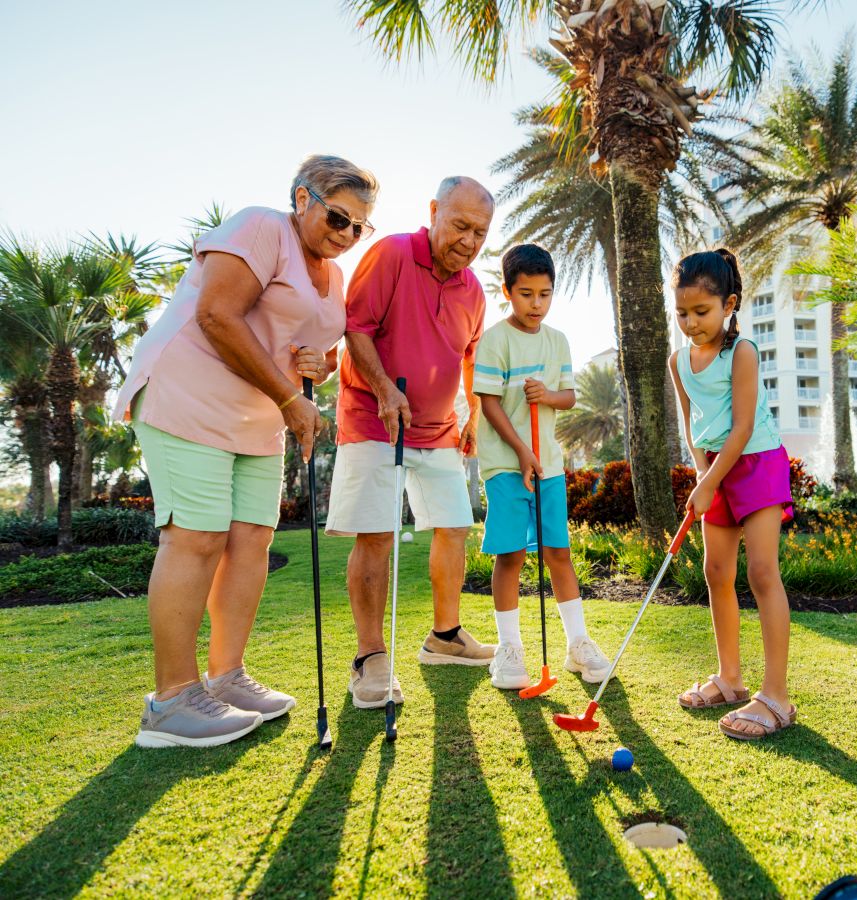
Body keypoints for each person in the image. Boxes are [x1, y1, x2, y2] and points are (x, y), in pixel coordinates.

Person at [112, 155, 379, 747]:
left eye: (360, 227)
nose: (347, 235)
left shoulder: (333, 278)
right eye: (339, 218)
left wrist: (321, 366)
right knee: (197, 536)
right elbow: (216, 315)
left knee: (251, 541)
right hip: (191, 395)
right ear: (303, 199)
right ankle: (170, 701)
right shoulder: (261, 227)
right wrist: (288, 396)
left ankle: (226, 677)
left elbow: (310, 352)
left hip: (259, 415)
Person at [326, 176, 496, 711]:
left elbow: (471, 354)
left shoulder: (473, 289)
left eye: (481, 231)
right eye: (461, 225)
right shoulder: (393, 253)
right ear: (435, 212)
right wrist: (382, 390)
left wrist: (472, 414)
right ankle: (371, 658)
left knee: (454, 524)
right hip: (374, 419)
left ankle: (445, 637)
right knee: (376, 533)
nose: (470, 241)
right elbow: (356, 329)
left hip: (439, 427)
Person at [669, 249, 796, 740]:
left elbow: (742, 428)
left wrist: (709, 481)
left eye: (702, 311)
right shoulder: (679, 360)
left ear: (730, 304)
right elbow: (692, 423)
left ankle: (777, 696)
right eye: (682, 312)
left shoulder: (741, 353)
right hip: (714, 468)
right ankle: (730, 678)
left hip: (756, 461)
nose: (691, 322)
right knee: (716, 571)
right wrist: (702, 474)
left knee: (761, 572)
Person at [472, 244, 612, 690]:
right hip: (506, 464)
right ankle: (509, 651)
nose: (536, 304)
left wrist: (546, 397)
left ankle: (578, 644)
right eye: (527, 294)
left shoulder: (558, 341)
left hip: (548, 465)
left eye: (545, 294)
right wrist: (520, 453)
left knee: (558, 553)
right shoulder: (495, 339)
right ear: (508, 291)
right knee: (510, 554)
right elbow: (489, 402)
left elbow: (569, 396)